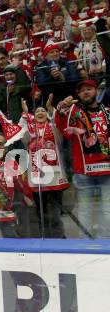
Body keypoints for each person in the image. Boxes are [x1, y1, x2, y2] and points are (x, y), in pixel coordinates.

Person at [55, 80, 110, 238]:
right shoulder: (74, 113)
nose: (86, 92)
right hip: (84, 172)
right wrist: (60, 110)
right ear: (78, 95)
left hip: (107, 170)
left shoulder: (107, 111)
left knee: (107, 211)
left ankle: (106, 244)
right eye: (82, 90)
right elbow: (64, 130)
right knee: (84, 211)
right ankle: (84, 244)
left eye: (89, 89)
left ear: (96, 91)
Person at [20, 97, 69, 238]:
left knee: (55, 211)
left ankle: (59, 237)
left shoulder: (53, 127)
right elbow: (21, 134)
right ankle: (44, 237)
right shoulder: (30, 129)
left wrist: (50, 109)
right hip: (37, 176)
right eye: (37, 111)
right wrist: (25, 114)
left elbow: (58, 121)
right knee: (40, 211)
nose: (40, 112)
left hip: (55, 174)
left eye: (43, 110)